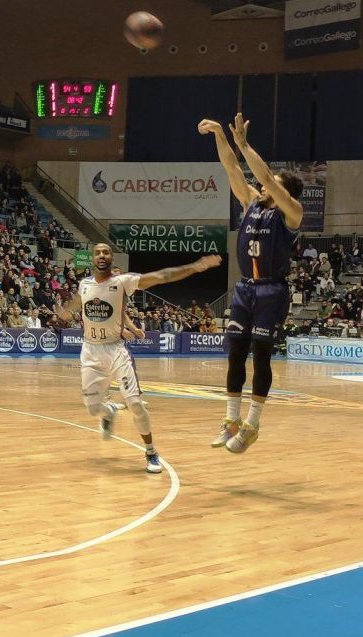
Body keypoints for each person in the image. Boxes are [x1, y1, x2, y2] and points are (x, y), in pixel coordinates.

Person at [57, 243, 221, 473]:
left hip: (115, 350)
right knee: (93, 409)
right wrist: (65, 312)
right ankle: (108, 411)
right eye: (98, 252)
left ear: (112, 258)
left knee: (134, 403)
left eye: (106, 252)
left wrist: (195, 266)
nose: (102, 255)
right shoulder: (85, 285)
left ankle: (151, 452)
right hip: (90, 351)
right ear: (92, 258)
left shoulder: (123, 282)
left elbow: (162, 276)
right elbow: (76, 305)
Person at [199, 114, 304, 453]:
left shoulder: (292, 212)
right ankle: (230, 420)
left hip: (272, 290)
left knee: (261, 356)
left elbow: (265, 178)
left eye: (271, 183)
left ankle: (252, 425)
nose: (262, 184)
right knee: (235, 354)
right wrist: (220, 134)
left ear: (284, 191)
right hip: (245, 288)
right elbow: (231, 168)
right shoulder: (250, 204)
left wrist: (245, 145)